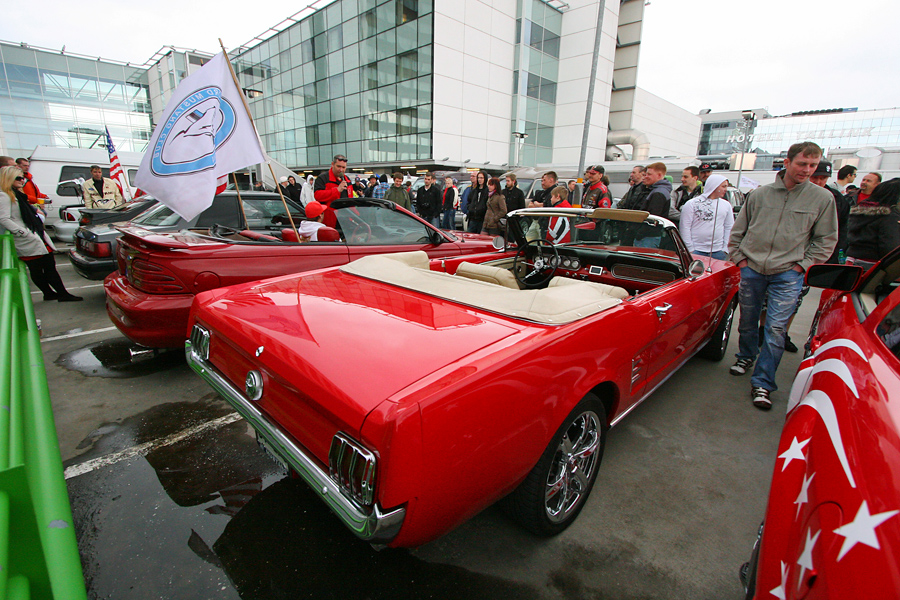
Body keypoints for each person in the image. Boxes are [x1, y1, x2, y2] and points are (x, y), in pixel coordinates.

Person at [727, 141, 838, 410]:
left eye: (812, 165)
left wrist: (803, 265)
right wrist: (740, 259)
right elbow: (739, 230)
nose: (807, 170)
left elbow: (826, 239)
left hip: (788, 273)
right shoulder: (759, 195)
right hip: (752, 268)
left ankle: (763, 383)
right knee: (748, 319)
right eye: (802, 163)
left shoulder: (822, 199)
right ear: (787, 162)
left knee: (776, 329)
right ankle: (746, 355)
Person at [0, 167, 81, 301]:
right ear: (9, 178)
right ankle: (55, 293)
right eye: (18, 178)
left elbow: (25, 209)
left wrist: (35, 212)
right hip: (27, 237)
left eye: (23, 178)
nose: (22, 181)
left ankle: (57, 293)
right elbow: (4, 219)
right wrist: (23, 233)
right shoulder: (5, 195)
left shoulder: (17, 194)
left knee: (48, 266)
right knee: (38, 268)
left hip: (34, 233)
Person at [845, 178, 900, 271]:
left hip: (854, 261)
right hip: (874, 267)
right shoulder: (888, 216)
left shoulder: (862, 209)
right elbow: (890, 248)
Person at [679, 174, 733, 260]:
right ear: (714, 186)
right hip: (696, 250)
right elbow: (685, 226)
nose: (726, 189)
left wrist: (725, 249)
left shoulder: (726, 205)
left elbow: (729, 227)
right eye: (723, 186)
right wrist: (690, 249)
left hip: (718, 251)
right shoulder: (692, 204)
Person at [809, 160, 850, 264]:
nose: (818, 182)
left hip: (827, 253)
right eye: (814, 177)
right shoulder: (795, 196)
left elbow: (843, 228)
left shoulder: (837, 199)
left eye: (823, 178)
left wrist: (836, 253)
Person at [314, 154, 355, 227]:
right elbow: (317, 196)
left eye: (343, 167)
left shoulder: (347, 180)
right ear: (332, 164)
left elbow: (350, 199)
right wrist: (337, 190)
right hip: (330, 220)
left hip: (346, 219)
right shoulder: (323, 178)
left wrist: (355, 215)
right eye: (338, 166)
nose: (341, 170)